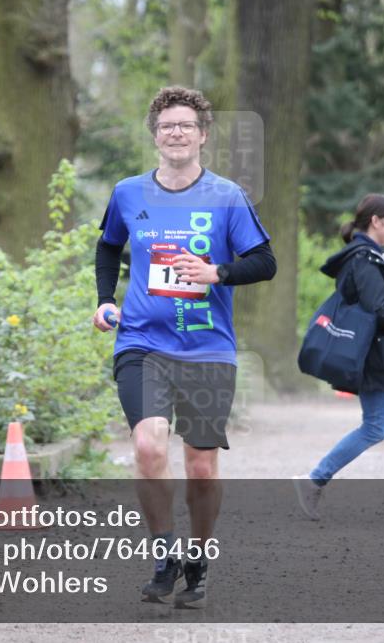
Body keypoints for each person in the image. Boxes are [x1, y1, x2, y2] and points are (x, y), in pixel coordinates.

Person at [92, 86, 276, 608]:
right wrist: (105, 300)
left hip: (207, 349)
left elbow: (265, 262)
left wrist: (216, 271)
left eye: (186, 126)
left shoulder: (226, 196)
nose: (176, 133)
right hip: (142, 342)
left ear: (202, 136)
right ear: (155, 135)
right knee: (149, 447)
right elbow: (108, 247)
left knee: (200, 465)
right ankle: (163, 553)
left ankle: (197, 559)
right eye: (167, 125)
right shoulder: (129, 192)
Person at [293, 194, 384, 523]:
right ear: (376, 221)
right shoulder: (364, 259)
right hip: (377, 356)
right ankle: (314, 480)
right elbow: (379, 310)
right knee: (375, 428)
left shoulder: (372, 257)